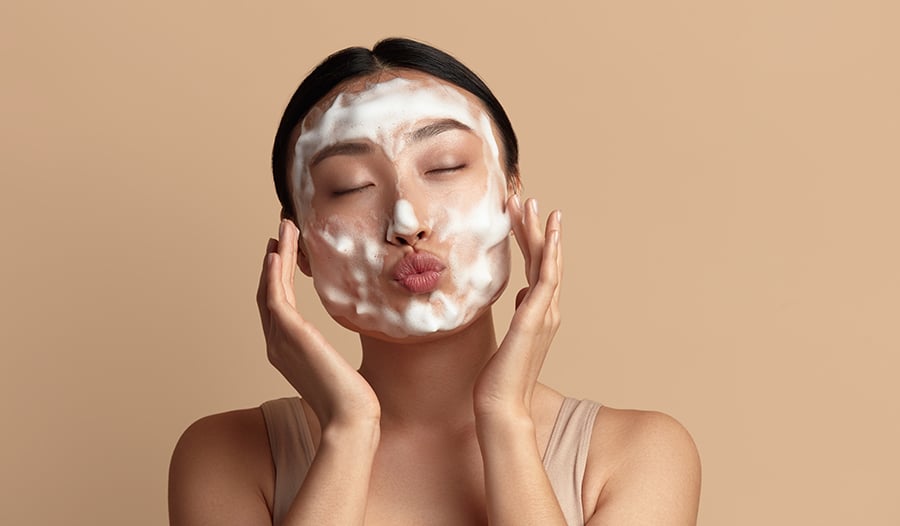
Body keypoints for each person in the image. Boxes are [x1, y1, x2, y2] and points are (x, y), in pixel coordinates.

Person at [168, 37, 701, 525]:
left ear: (511, 197)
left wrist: (504, 418)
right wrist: (349, 431)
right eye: (350, 187)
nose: (407, 221)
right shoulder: (226, 457)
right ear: (299, 244)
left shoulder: (638, 454)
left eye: (444, 167)